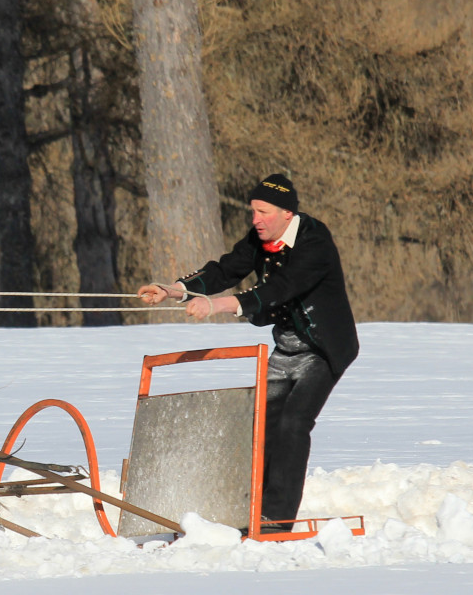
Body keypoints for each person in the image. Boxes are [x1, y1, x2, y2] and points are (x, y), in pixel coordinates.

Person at [137, 173, 358, 531]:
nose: (255, 219)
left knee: (293, 423)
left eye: (263, 212)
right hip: (287, 347)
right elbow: (226, 269)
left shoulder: (315, 242)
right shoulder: (261, 238)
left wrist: (218, 307)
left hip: (324, 350)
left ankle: (277, 519)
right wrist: (175, 290)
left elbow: (279, 290)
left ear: (287, 214)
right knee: (260, 426)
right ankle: (251, 509)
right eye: (253, 211)